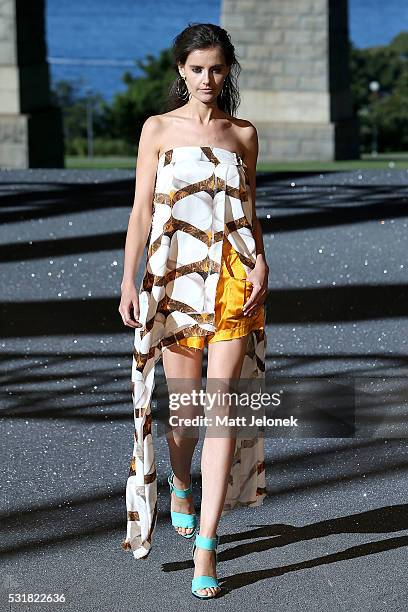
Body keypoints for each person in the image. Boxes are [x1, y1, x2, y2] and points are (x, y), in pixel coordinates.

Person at [118, 22, 269, 599]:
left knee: (220, 410)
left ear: (228, 71)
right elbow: (139, 212)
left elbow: (250, 213)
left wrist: (262, 263)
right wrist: (128, 281)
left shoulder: (244, 135)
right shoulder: (157, 130)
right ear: (181, 70)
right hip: (175, 279)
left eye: (217, 68)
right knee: (183, 416)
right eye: (197, 68)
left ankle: (208, 547)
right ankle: (180, 484)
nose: (207, 78)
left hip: (233, 277)